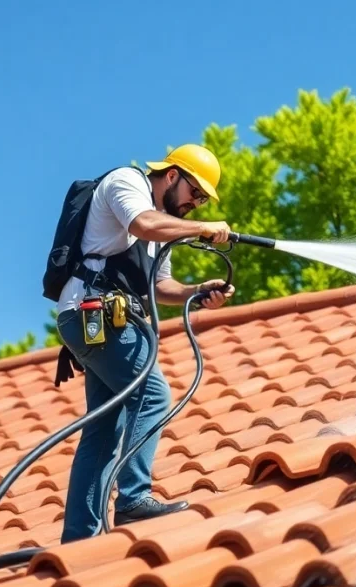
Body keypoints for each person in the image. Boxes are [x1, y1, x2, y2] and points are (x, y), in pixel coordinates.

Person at [53, 143, 236, 542]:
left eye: (203, 201)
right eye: (196, 194)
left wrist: (196, 291)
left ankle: (79, 539)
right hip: (94, 314)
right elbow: (142, 224)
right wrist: (204, 229)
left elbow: (159, 284)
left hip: (104, 321)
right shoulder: (127, 184)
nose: (197, 205)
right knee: (152, 395)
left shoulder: (161, 229)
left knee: (104, 425)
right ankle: (134, 499)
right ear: (172, 176)